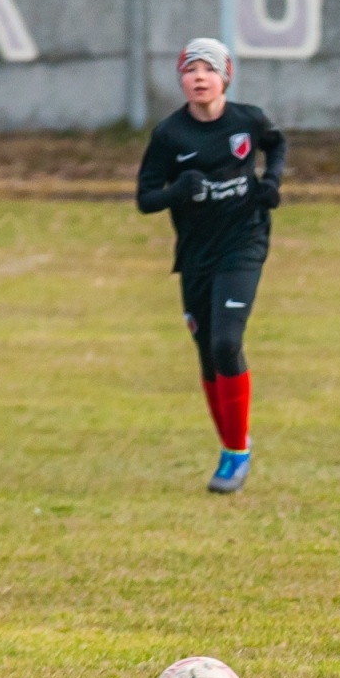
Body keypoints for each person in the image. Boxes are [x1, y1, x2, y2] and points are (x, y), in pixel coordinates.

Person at [136, 38, 286, 494]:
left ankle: (237, 452)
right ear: (181, 78)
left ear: (226, 76)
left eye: (209, 68)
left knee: (226, 342)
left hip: (243, 243)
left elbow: (276, 145)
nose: (199, 77)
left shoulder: (248, 120)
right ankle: (231, 445)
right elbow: (146, 199)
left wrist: (272, 182)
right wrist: (179, 190)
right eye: (191, 69)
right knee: (206, 355)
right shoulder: (169, 135)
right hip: (196, 255)